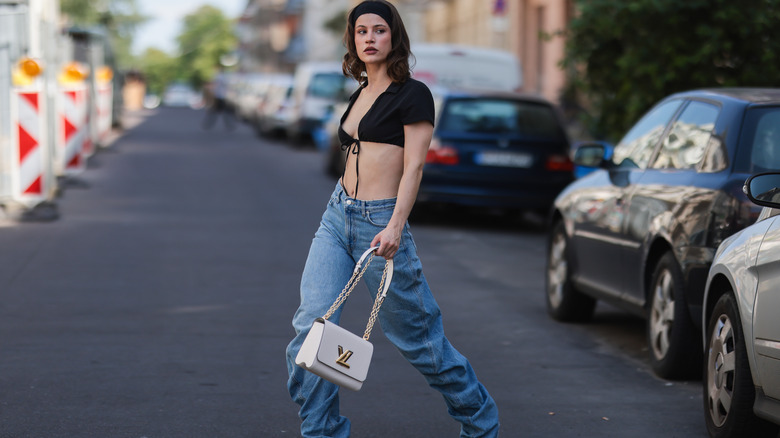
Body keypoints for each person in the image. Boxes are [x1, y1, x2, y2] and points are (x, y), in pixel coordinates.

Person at [284, 1, 500, 437]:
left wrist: (396, 226)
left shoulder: (413, 94)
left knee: (419, 341)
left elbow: (414, 167)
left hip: (380, 222)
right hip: (336, 214)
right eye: (361, 30)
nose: (369, 38)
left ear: (393, 37)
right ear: (353, 39)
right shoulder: (359, 91)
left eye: (378, 30)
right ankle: (321, 431)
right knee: (311, 328)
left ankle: (479, 422)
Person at [202, 66, 235, 130]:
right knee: (223, 112)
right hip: (221, 96)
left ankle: (208, 124)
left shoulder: (218, 77)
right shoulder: (223, 77)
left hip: (219, 97)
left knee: (217, 112)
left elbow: (215, 87)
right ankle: (229, 125)